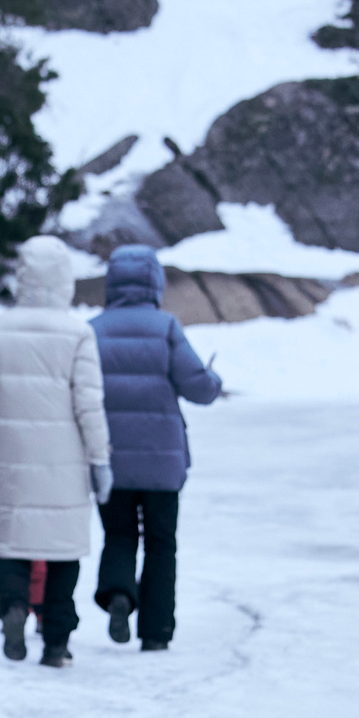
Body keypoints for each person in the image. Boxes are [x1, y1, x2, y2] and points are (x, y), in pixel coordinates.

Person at [0, 234, 112, 668]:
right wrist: (100, 460)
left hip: (12, 460)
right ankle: (56, 645)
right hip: (67, 465)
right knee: (63, 553)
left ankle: (13, 607)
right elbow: (89, 405)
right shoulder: (79, 333)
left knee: (14, 547)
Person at [89, 244, 223, 651]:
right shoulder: (166, 328)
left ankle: (119, 594)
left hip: (109, 456)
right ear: (155, 282)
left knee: (119, 534)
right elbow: (199, 389)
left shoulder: (93, 330)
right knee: (161, 544)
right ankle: (156, 632)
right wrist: (213, 378)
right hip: (162, 463)